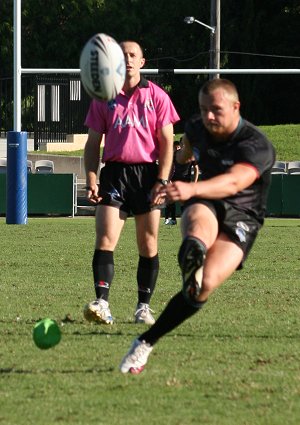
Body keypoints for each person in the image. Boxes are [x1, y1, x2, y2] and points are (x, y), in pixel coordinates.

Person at [119, 78, 275, 374]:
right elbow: (187, 147)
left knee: (201, 289)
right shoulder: (196, 127)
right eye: (204, 110)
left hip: (243, 216)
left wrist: (189, 189)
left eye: (216, 110)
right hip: (206, 201)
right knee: (197, 229)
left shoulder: (256, 144)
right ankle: (194, 253)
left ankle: (145, 342)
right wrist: (183, 156)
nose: (209, 117)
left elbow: (234, 182)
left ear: (235, 106)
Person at [83, 40, 180, 326]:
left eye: (132, 55)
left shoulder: (158, 97)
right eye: (121, 55)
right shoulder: (103, 96)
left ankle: (143, 307)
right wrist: (91, 176)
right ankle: (102, 303)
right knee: (105, 239)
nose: (127, 59)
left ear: (142, 62)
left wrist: (162, 180)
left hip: (147, 176)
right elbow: (92, 144)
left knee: (148, 244)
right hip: (114, 174)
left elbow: (167, 143)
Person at [164, 138, 199, 225]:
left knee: (184, 201)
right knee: (170, 199)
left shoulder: (191, 155)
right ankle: (172, 219)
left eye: (185, 143)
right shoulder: (174, 154)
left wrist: (194, 182)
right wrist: (169, 180)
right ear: (180, 144)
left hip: (186, 180)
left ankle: (185, 220)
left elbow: (196, 169)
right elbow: (170, 168)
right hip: (174, 179)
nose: (183, 145)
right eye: (182, 143)